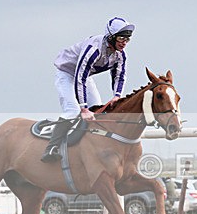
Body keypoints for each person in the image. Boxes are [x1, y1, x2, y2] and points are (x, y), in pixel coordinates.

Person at [41, 17, 135, 163]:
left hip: (85, 76)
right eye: (122, 38)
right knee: (73, 111)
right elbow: (80, 77)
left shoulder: (120, 54)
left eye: (128, 39)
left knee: (97, 111)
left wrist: (117, 96)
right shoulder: (94, 49)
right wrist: (83, 109)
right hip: (67, 73)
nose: (124, 43)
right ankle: (52, 148)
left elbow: (119, 76)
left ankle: (89, 148)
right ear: (111, 37)